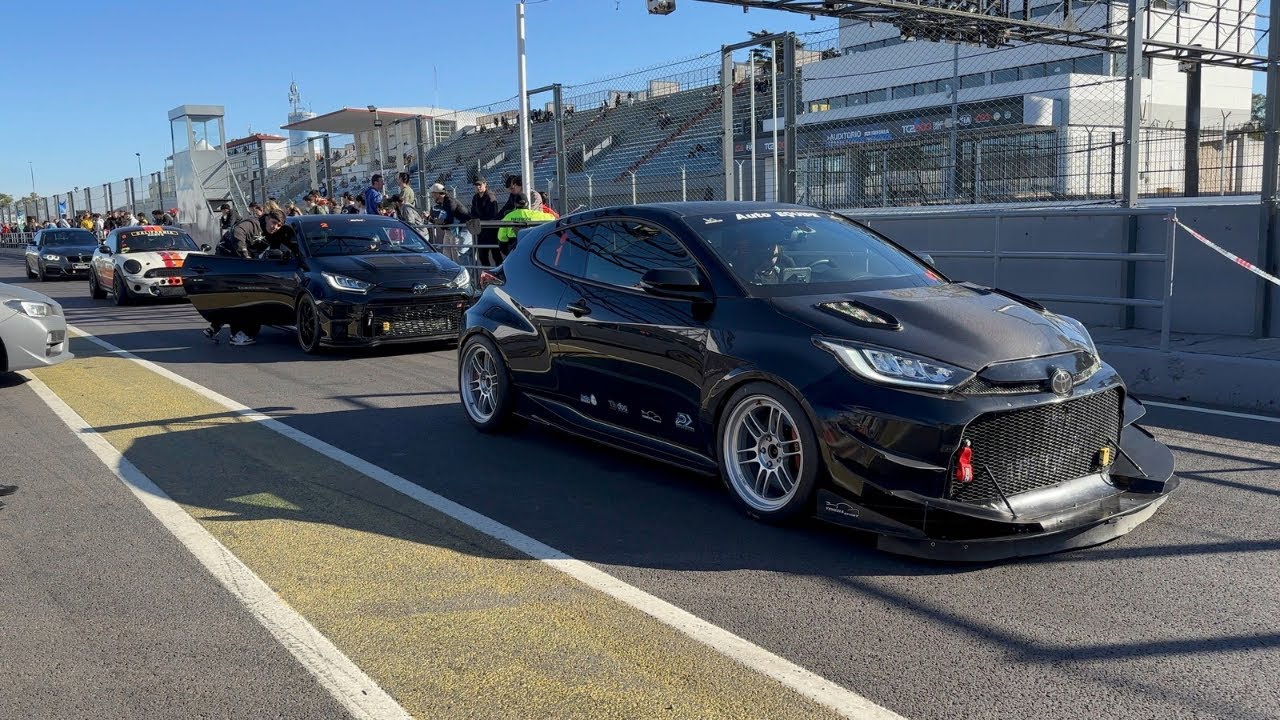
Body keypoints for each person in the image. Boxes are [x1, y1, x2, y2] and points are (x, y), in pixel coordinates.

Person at [496, 192, 555, 259]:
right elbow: (552, 218)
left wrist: (507, 253)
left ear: (515, 204)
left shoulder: (508, 217)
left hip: (515, 248)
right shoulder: (536, 215)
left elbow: (502, 238)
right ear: (528, 203)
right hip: (533, 247)